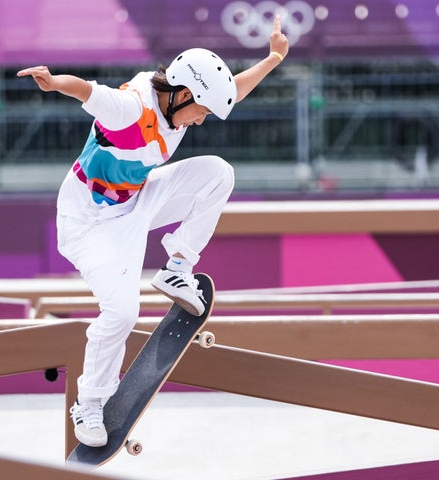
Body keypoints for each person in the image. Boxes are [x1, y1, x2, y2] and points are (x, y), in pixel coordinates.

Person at [17, 17, 289, 448]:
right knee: (122, 312)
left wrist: (274, 57)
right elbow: (89, 91)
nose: (199, 122)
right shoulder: (131, 108)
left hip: (138, 198)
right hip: (90, 223)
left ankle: (177, 266)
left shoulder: (179, 103)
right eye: (199, 111)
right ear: (182, 95)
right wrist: (54, 83)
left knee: (218, 174)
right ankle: (89, 403)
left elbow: (233, 89)